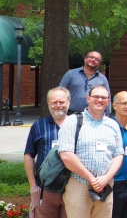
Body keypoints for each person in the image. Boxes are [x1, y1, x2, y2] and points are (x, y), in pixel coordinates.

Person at [59, 86, 123, 218]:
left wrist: (106, 178)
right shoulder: (72, 121)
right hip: (79, 184)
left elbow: (118, 155)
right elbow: (66, 155)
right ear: (88, 98)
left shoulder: (113, 124)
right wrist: (91, 179)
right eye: (96, 97)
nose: (100, 100)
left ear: (108, 101)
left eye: (103, 97)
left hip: (105, 186)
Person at [24, 87, 70, 218]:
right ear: (48, 104)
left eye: (61, 102)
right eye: (54, 102)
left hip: (72, 188)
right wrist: (33, 185)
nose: (58, 105)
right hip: (45, 188)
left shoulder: (78, 125)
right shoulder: (39, 125)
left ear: (69, 102)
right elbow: (29, 155)